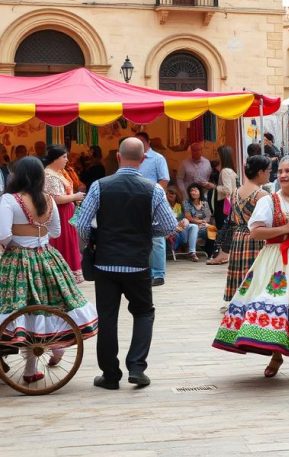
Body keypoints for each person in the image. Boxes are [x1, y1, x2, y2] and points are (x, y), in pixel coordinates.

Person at [213, 155, 289, 381]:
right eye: (279, 171)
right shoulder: (269, 201)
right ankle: (276, 356)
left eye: (288, 171)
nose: (282, 175)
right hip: (277, 260)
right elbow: (256, 231)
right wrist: (285, 228)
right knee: (278, 305)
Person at [75, 137, 178, 390]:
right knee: (144, 313)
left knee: (107, 318)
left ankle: (110, 375)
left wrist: (94, 242)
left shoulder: (99, 186)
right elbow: (169, 226)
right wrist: (145, 233)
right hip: (138, 264)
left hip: (105, 264)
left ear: (118, 157)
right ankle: (137, 368)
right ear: (143, 160)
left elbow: (81, 224)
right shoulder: (153, 189)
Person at [0, 157, 98, 384]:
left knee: (23, 308)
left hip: (17, 261)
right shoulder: (48, 200)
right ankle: (54, 348)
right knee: (52, 303)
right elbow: (55, 232)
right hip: (47, 258)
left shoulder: (8, 200)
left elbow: (3, 235)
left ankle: (31, 367)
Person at [222, 155, 270, 305]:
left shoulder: (236, 192)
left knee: (241, 270)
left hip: (239, 235)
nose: (270, 173)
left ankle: (239, 300)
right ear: (260, 172)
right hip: (256, 236)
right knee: (255, 269)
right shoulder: (261, 194)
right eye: (268, 170)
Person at [42, 145, 86, 283]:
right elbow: (55, 198)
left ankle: (69, 271)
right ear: (55, 159)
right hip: (60, 212)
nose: (67, 160)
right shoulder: (49, 174)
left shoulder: (58, 172)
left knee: (69, 240)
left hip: (66, 211)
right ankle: (63, 273)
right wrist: (75, 197)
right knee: (63, 240)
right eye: (64, 157)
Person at [135, 132, 171, 285]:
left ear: (148, 142)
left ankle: (158, 274)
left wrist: (154, 196)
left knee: (156, 238)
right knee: (141, 237)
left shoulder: (157, 158)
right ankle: (146, 271)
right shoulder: (134, 157)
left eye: (141, 142)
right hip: (136, 202)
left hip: (153, 200)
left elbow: (164, 180)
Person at [208, 145, 237, 265]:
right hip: (230, 204)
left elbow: (227, 190)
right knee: (227, 230)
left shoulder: (225, 171)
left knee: (222, 231)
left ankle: (220, 255)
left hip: (223, 204)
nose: (216, 156)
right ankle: (224, 255)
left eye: (217, 154)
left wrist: (213, 187)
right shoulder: (232, 171)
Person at [184, 183, 219, 259]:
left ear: (200, 191)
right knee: (208, 229)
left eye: (195, 190)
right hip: (191, 227)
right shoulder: (187, 203)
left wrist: (202, 222)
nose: (193, 192)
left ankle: (210, 253)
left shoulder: (205, 203)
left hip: (203, 225)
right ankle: (209, 253)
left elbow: (208, 217)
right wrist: (199, 222)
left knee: (212, 229)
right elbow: (188, 217)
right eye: (191, 191)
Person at [165, 187, 200, 261]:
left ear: (176, 195)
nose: (171, 195)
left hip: (182, 230)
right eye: (169, 193)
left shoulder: (179, 205)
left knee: (194, 226)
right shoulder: (164, 205)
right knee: (183, 225)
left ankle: (192, 252)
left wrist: (185, 221)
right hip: (172, 232)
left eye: (173, 193)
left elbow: (183, 219)